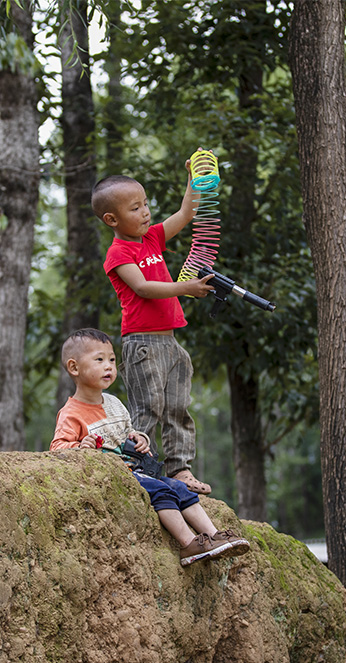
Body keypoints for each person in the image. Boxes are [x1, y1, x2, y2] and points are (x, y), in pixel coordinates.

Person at [50, 328, 249, 566]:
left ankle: (215, 536)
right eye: (99, 360)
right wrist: (80, 446)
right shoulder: (71, 412)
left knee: (179, 488)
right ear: (74, 367)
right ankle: (189, 543)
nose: (109, 366)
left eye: (112, 360)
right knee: (161, 490)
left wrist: (139, 439)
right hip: (114, 477)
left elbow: (126, 434)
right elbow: (57, 449)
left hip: (135, 469)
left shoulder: (113, 402)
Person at [94, 162, 215, 495]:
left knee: (178, 407)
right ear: (112, 220)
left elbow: (185, 213)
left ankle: (180, 469)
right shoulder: (118, 252)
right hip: (142, 343)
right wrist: (185, 288)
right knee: (149, 407)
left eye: (145, 204)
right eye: (135, 208)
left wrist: (192, 180)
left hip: (171, 342)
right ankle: (136, 465)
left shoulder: (152, 237)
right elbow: (143, 287)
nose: (146, 212)